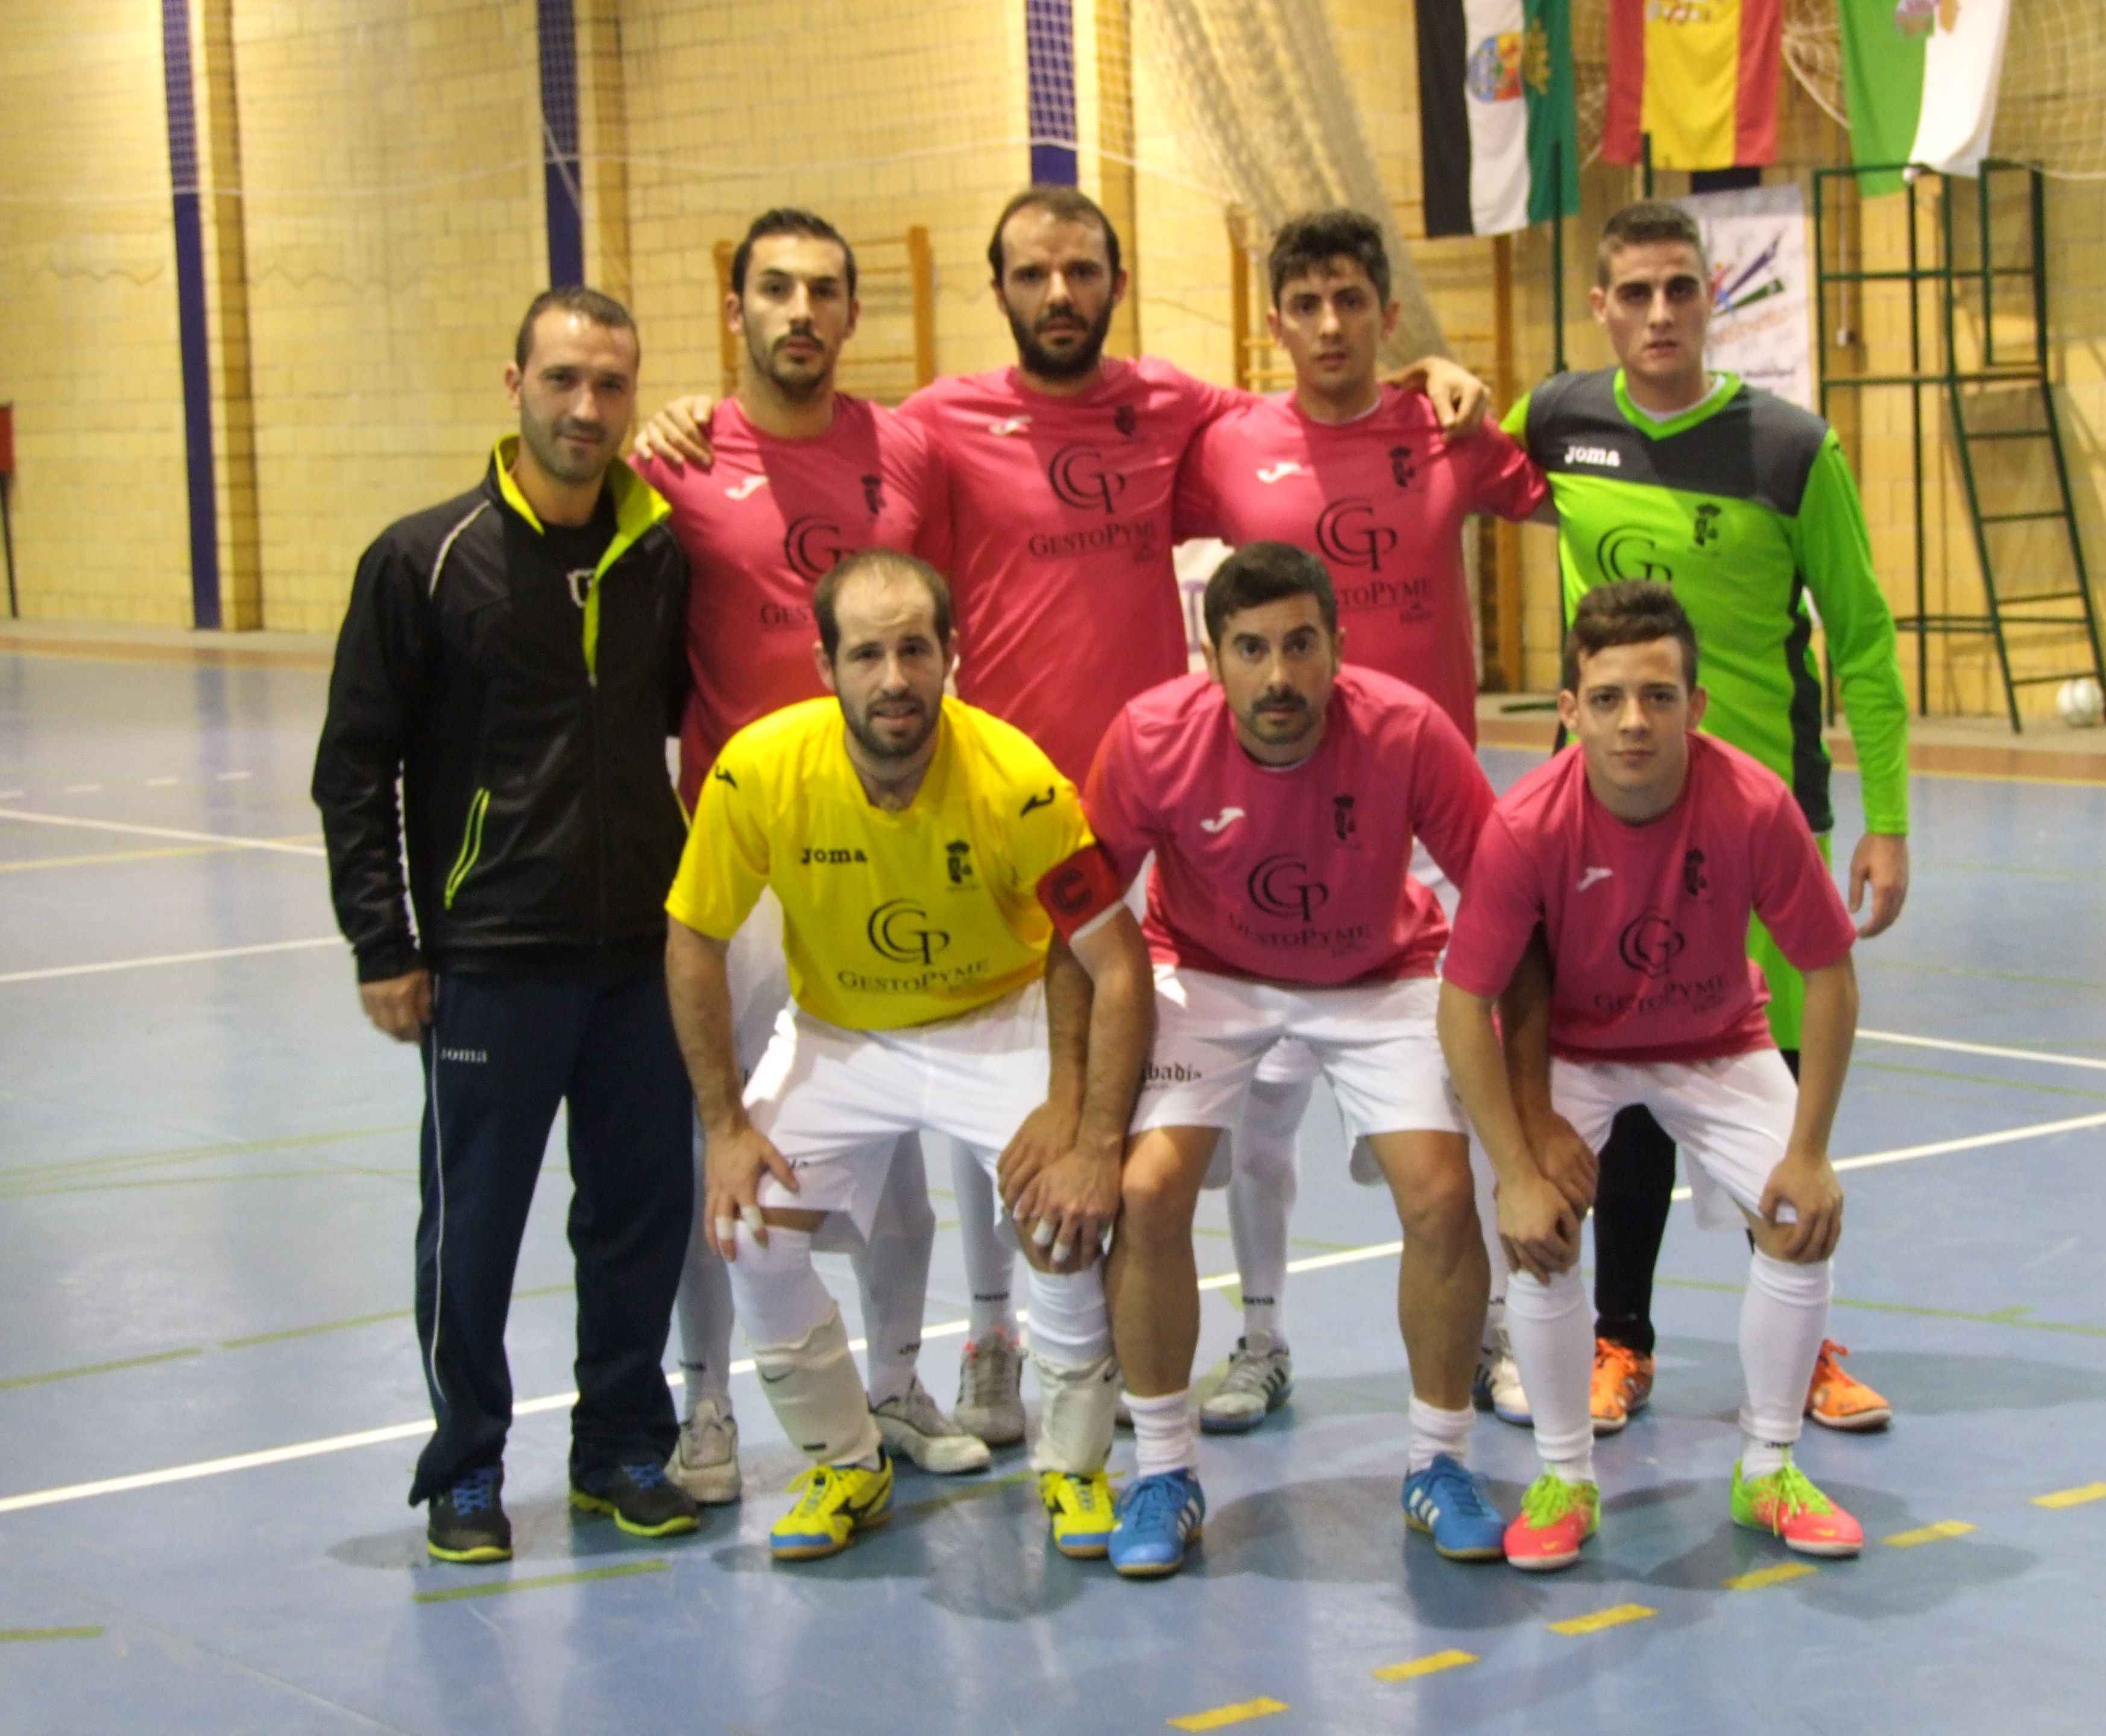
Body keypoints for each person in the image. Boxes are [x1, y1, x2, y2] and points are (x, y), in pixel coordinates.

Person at [634, 186, 1490, 1454]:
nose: (1058, 293)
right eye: (1033, 273)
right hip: (979, 816)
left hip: (1159, 811)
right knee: (919, 1116)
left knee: (1134, 1115)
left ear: (1115, 281)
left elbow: (1317, 419)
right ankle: (954, 1348)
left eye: (1082, 270)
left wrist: (1419, 377)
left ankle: (1235, 1339)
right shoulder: (931, 430)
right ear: (999, 290)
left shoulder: (1177, 410)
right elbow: (813, 466)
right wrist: (683, 415)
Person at [1499, 199, 1908, 1436]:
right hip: (1610, 825)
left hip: (1758, 822)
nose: (1661, 314)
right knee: (1625, 1082)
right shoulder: (1559, 422)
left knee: (1769, 1087)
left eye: (1683, 289)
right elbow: (1442, 452)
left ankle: (1803, 1335)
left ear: (1712, 295)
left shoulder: (1790, 447)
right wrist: (1442, 382)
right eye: (1637, 293)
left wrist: (1884, 817)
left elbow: (1868, 638)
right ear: (1602, 305)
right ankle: (1620, 1339)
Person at [663, 549, 1153, 1561]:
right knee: (750, 1230)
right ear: (824, 666)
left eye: (916, 650)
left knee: (1063, 1224)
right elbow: (693, 939)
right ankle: (846, 1460)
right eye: (869, 654)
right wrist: (724, 1125)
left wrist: (1089, 1127)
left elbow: (1113, 960)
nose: (894, 679)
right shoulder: (757, 771)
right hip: (841, 1034)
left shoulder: (1020, 783)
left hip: (997, 1020)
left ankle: (1074, 1467)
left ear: (952, 657)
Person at [312, 286, 699, 1564]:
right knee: (474, 1223)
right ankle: (466, 1467)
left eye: (610, 385)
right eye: (563, 381)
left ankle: (621, 1448)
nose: (586, 408)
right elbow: (354, 767)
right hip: (489, 957)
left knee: (638, 1212)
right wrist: (386, 942)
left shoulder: (660, 553)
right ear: (515, 384)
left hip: (642, 952)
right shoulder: (424, 559)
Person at [1170, 209, 1550, 1433]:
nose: (1329, 326)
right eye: (1305, 304)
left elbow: (1575, 496)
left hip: (1428, 814)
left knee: (1471, 1083)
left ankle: (1492, 1332)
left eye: (1351, 301)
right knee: (1263, 1103)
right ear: (1272, 320)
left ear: (1388, 314)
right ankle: (1262, 1335)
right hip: (1276, 812)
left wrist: (1469, 387)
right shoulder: (1228, 444)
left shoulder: (1448, 428)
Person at [628, 207, 978, 1502]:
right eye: (773, 289)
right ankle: (706, 1404)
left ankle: (893, 1383)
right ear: (733, 309)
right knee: (712, 1143)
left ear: (851, 313)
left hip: (886, 849)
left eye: (824, 291)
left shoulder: (908, 450)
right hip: (747, 862)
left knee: (894, 1149)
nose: (800, 312)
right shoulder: (672, 457)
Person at [1083, 542, 1506, 1579]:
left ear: (1338, 649)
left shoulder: (1408, 731)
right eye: (1253, 649)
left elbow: (1504, 903)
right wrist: (1082, 1121)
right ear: (1212, 656)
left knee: (1444, 1197)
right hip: (1210, 971)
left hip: (1383, 975)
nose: (1280, 675)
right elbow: (1084, 918)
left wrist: (1524, 1114)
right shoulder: (1148, 737)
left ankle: (1439, 1461)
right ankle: (1164, 1470)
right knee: (1145, 1191)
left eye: (1302, 646)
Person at [1439, 580, 1867, 1571]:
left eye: (1660, 696)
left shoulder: (1755, 805)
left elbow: (1830, 974)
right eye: (1609, 697)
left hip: (1718, 1039)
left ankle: (1769, 1469)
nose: (1635, 721)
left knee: (1801, 1222)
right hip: (1577, 1052)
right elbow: (1465, 1006)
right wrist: (1516, 1160)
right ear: (1569, 710)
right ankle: (1564, 1478)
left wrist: (1810, 1151)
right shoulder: (1527, 824)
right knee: (1538, 1232)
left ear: (1697, 706)